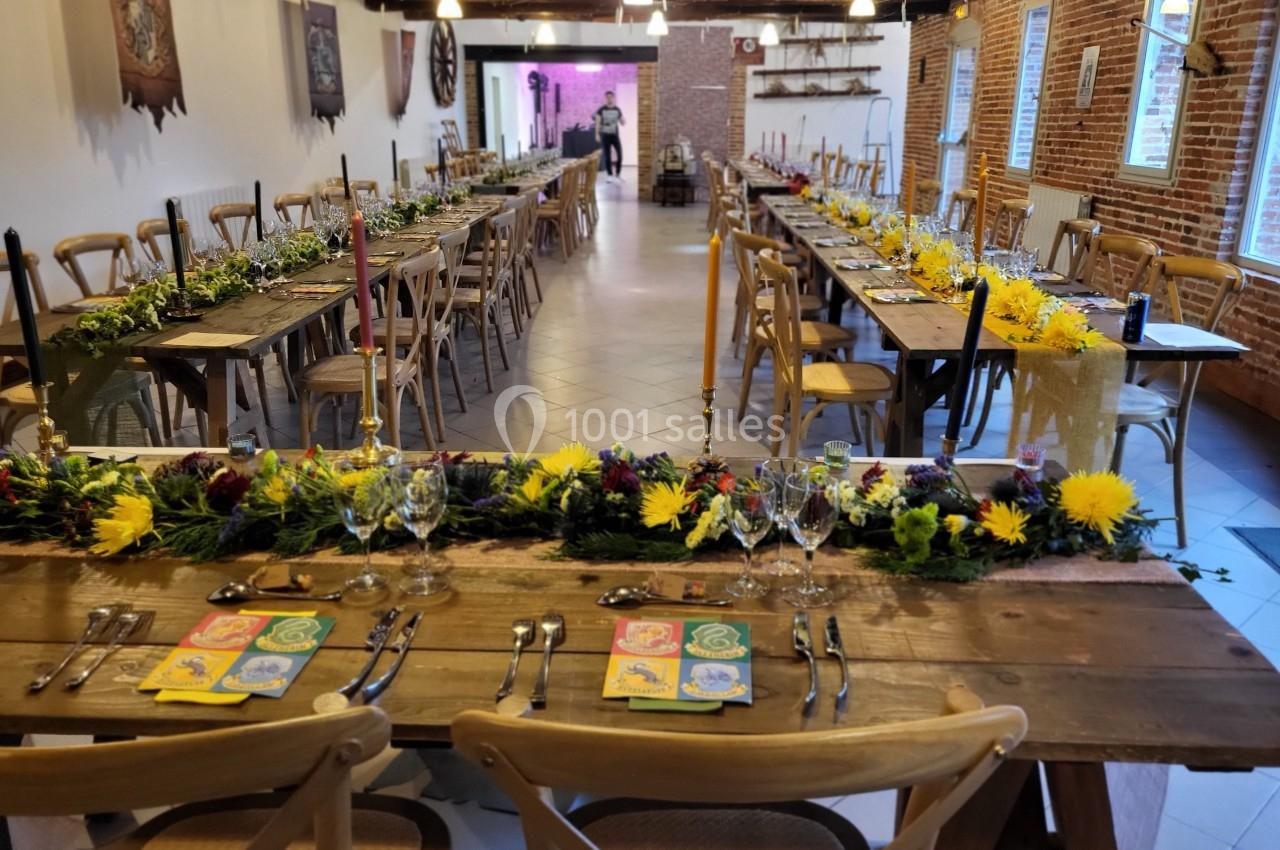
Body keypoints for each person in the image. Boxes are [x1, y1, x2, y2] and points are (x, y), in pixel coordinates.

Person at [594, 91, 625, 182]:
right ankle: (610, 175)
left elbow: (622, 122)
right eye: (607, 97)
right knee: (607, 156)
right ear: (605, 98)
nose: (609, 98)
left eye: (611, 97)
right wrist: (597, 134)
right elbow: (597, 123)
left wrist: (623, 121)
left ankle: (618, 174)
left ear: (613, 98)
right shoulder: (601, 110)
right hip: (605, 135)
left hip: (615, 136)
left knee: (620, 155)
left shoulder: (617, 109)